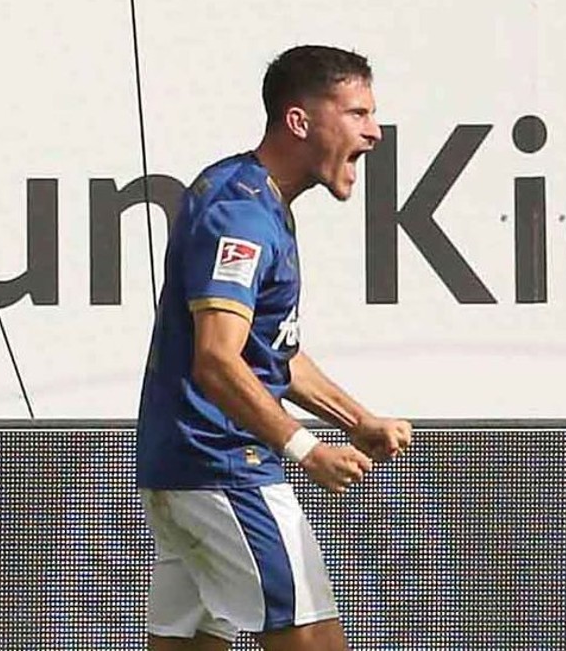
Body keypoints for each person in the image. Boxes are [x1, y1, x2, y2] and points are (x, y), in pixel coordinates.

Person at [135, 45, 413, 651]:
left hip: (185, 468)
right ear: (299, 121)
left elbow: (273, 354)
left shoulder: (249, 194)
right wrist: (308, 449)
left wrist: (357, 419)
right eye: (358, 113)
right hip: (225, 469)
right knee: (315, 642)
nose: (375, 131)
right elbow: (216, 358)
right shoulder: (241, 215)